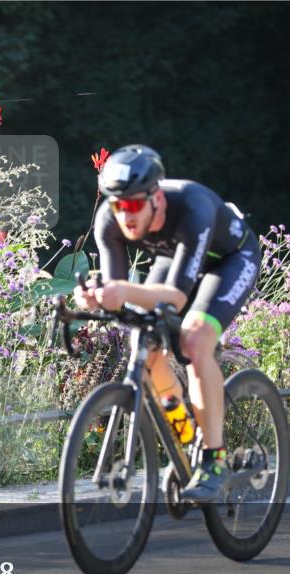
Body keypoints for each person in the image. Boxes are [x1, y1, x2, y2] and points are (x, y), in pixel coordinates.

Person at [74, 144, 262, 502]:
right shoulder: (109, 219)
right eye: (116, 205)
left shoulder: (192, 206)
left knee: (194, 340)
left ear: (156, 197)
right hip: (174, 257)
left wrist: (117, 290)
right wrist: (96, 297)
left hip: (230, 260)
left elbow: (175, 296)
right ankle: (187, 433)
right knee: (143, 345)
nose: (124, 215)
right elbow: (119, 295)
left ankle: (215, 459)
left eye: (132, 205)